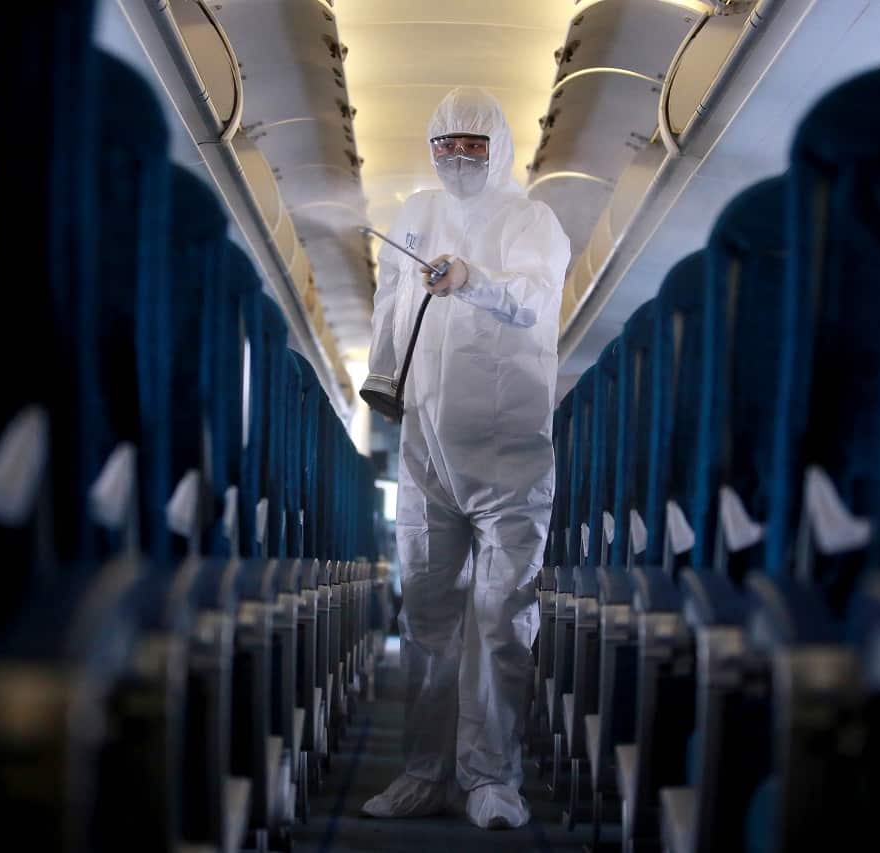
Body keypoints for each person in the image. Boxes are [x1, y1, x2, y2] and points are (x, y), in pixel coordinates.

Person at [359, 87, 570, 829]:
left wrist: (469, 280)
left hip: (508, 452)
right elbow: (391, 303)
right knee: (427, 616)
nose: (455, 160)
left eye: (471, 146)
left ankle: (491, 778)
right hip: (426, 448)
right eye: (443, 146)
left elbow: (534, 300)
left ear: (499, 147)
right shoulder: (415, 215)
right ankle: (424, 771)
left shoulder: (531, 220)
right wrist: (384, 380)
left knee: (501, 616)